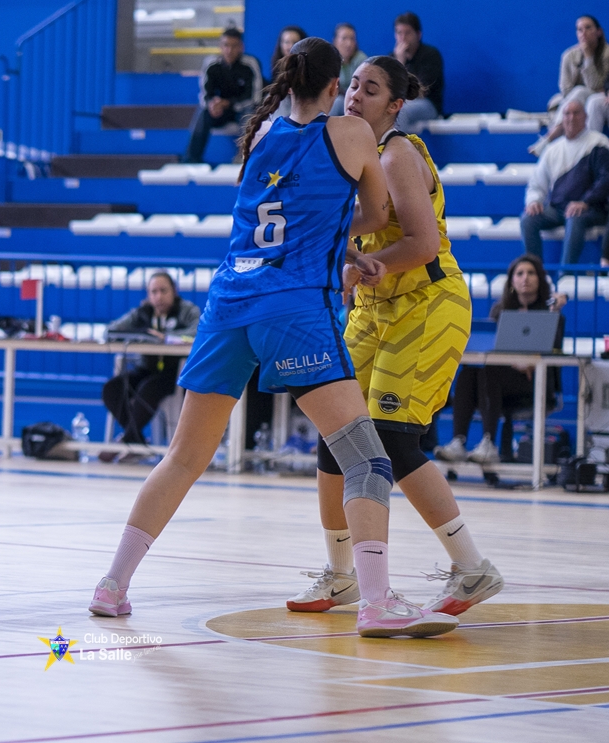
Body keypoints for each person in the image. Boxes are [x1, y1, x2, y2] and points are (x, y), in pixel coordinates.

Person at [89, 37, 459, 639]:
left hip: (227, 303)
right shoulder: (351, 134)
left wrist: (335, 244)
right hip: (292, 307)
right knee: (366, 458)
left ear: (287, 82)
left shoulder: (260, 135)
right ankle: (376, 603)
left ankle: (112, 585)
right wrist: (350, 251)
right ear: (335, 87)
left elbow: (284, 219)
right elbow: (374, 213)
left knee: (182, 457)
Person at [287, 55, 503, 619]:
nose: (356, 95)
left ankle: (472, 566)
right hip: (374, 309)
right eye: (353, 84)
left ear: (396, 104)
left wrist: (365, 263)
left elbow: (422, 243)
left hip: (427, 303)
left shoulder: (398, 152)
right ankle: (340, 574)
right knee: (335, 428)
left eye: (371, 89)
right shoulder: (347, 154)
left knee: (390, 437)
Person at [436, 254, 567, 465]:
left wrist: (554, 311)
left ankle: (489, 443)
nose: (525, 278)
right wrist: (513, 363)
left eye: (531, 273)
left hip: (534, 381)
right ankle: (458, 442)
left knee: (490, 372)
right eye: (520, 273)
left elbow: (554, 349)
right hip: (499, 380)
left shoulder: (550, 311)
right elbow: (490, 346)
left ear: (540, 279)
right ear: (512, 280)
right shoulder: (500, 310)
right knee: (470, 371)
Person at [100, 272, 199, 457]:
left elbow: (198, 332)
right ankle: (135, 440)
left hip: (175, 373)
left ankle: (127, 440)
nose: (158, 296)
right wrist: (138, 333)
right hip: (146, 369)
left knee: (148, 388)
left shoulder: (187, 310)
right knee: (112, 388)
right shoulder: (142, 313)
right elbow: (110, 332)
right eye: (154, 292)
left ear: (174, 291)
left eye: (163, 291)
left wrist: (167, 338)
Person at [521, 99, 609, 266]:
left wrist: (585, 201)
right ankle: (535, 270)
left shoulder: (599, 143)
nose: (571, 118)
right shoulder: (552, 149)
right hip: (558, 208)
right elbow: (537, 183)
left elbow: (605, 179)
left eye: (576, 113)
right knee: (528, 219)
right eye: (567, 114)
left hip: (592, 208)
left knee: (575, 217)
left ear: (585, 117)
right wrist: (534, 201)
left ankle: (566, 274)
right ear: (562, 119)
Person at [182, 28, 263, 164]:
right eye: (226, 45)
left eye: (234, 46)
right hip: (221, 111)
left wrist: (229, 103)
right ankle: (191, 158)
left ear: (241, 47)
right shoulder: (211, 64)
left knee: (250, 115)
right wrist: (212, 105)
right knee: (203, 112)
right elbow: (205, 94)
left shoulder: (250, 64)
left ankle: (244, 159)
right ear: (220, 46)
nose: (229, 50)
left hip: (242, 109)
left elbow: (255, 97)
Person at [531, 15, 609, 155]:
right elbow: (566, 90)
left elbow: (594, 84)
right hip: (577, 99)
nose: (583, 33)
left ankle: (553, 139)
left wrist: (588, 57)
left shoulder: (606, 54)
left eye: (588, 28)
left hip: (600, 99)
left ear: (599, 32)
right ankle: (554, 138)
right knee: (579, 92)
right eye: (579, 29)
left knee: (588, 97)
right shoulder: (569, 55)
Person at [390, 12, 443, 131]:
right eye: (399, 33)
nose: (403, 37)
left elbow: (421, 91)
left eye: (407, 33)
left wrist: (400, 65)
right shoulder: (391, 58)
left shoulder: (430, 55)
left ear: (418, 35)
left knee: (400, 111)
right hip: (401, 102)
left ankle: (397, 144)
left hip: (428, 104)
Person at [267, 26, 307, 121]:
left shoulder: (309, 66)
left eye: (295, 42)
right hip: (284, 104)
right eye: (287, 42)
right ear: (281, 45)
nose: (291, 46)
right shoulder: (276, 65)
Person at [330, 23, 367, 116]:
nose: (349, 44)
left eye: (352, 39)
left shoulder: (362, 60)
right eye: (344, 38)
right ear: (335, 41)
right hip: (334, 99)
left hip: (357, 99)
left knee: (338, 102)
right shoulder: (329, 61)